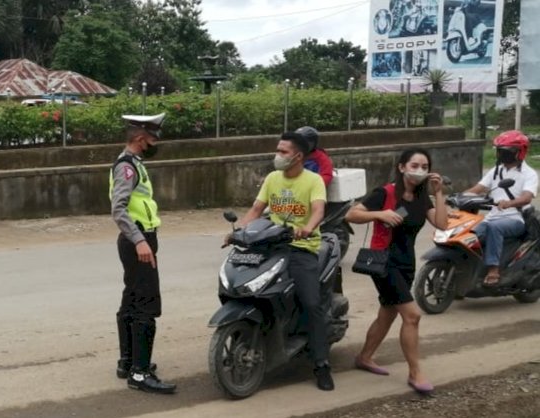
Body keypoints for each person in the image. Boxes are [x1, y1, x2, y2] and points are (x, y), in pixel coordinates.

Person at [224, 131, 335, 391]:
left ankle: (321, 364)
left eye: (283, 152)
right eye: (278, 150)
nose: (278, 156)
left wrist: (307, 227)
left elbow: (318, 210)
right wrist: (237, 232)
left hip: (301, 247)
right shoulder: (273, 178)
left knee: (311, 302)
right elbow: (256, 210)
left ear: (298, 156)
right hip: (270, 244)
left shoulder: (313, 180)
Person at [345, 148, 447, 395]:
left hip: (406, 264)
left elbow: (442, 224)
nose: (419, 171)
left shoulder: (423, 198)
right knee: (412, 315)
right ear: (402, 167)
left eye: (424, 166)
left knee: (387, 314)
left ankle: (364, 357)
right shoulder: (386, 193)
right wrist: (380, 213)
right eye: (414, 165)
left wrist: (440, 193)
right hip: (384, 262)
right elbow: (351, 214)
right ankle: (415, 373)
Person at [109, 112, 176, 394]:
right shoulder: (127, 167)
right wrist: (140, 241)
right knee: (147, 304)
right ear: (139, 138)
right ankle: (139, 373)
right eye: (152, 138)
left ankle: (128, 361)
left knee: (132, 299)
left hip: (137, 240)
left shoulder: (132, 163)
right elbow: (118, 209)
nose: (155, 143)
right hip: (138, 241)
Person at [464, 130, 538, 286]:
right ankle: (468, 270)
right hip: (492, 216)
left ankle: (493, 269)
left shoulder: (529, 174)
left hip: (515, 218)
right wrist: (460, 196)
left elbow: (527, 197)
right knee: (468, 234)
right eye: (500, 151)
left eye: (506, 151)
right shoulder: (496, 170)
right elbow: (479, 188)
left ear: (520, 151)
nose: (502, 154)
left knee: (494, 227)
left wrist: (509, 203)